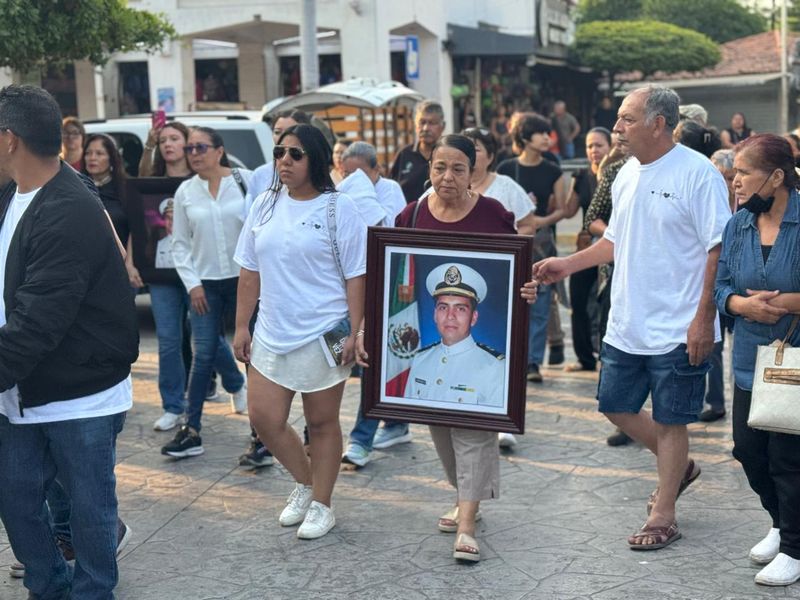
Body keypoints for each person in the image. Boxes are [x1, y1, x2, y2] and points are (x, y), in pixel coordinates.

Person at [533, 85, 731, 550]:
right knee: (614, 406)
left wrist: (704, 318)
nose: (617, 128)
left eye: (626, 119)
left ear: (658, 123)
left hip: (680, 324)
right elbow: (614, 243)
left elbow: (717, 248)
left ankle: (664, 512)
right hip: (628, 320)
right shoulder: (624, 175)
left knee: (671, 419)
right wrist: (567, 264)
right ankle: (678, 468)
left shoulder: (697, 175)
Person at [0, 84, 139, 599]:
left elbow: (38, 323)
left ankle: (91, 591)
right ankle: (49, 586)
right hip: (22, 388)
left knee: (90, 508)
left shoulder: (69, 209)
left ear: (9, 138)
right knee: (16, 499)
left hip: (78, 393)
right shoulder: (14, 194)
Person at [233, 124, 367, 539]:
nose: (284, 161)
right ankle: (307, 483)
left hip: (323, 332)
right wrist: (241, 325)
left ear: (316, 160)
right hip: (272, 329)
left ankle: (323, 504)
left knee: (322, 422)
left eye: (295, 154)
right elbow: (249, 270)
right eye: (279, 153)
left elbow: (357, 276)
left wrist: (356, 331)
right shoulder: (264, 204)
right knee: (264, 418)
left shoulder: (338, 208)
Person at [388, 134, 516, 562]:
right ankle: (466, 498)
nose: (447, 176)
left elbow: (513, 271)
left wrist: (527, 289)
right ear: (429, 169)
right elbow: (393, 278)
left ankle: (467, 523)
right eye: (440, 167)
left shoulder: (495, 213)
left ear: (472, 171)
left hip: (478, 363)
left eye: (458, 168)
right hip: (432, 355)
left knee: (473, 433)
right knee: (441, 430)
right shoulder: (411, 214)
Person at [714, 133, 800, 586]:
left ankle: (794, 548)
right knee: (749, 451)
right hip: (749, 357)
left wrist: (784, 301)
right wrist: (740, 306)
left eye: (744, 173)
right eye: (734, 173)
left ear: (778, 176)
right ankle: (781, 522)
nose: (736, 182)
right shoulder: (738, 224)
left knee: (788, 458)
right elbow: (721, 285)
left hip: (795, 359)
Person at [161, 126, 252, 458]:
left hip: (245, 281)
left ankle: (261, 434)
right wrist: (193, 284)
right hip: (205, 285)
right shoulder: (186, 191)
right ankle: (191, 429)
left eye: (200, 147)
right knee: (202, 356)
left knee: (251, 356)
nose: (194, 154)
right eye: (190, 149)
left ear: (219, 150)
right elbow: (179, 244)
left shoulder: (245, 181)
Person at [497, 113, 566, 383]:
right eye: (541, 133)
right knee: (510, 301)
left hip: (542, 244)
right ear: (525, 137)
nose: (547, 138)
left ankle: (532, 362)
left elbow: (561, 209)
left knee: (540, 303)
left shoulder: (553, 169)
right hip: (511, 240)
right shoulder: (505, 168)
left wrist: (542, 220)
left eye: (548, 133)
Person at [677, 122, 728, 423]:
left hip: (708, 285)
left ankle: (710, 401)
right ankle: (707, 401)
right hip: (705, 286)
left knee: (709, 345)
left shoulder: (702, 175)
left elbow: (717, 245)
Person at [406, 263, 504, 407]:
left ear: (474, 317)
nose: (450, 316)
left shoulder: (495, 367)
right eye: (443, 307)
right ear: (435, 314)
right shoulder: (420, 360)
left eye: (460, 309)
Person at [561, 127, 613, 372]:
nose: (594, 151)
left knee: (606, 302)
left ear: (610, 147)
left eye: (599, 145)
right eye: (590, 146)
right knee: (578, 300)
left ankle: (607, 356)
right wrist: (572, 184)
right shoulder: (582, 177)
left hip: (609, 247)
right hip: (585, 246)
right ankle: (584, 358)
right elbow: (569, 211)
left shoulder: (616, 174)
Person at [390, 100, 445, 203]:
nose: (426, 128)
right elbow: (392, 191)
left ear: (443, 126)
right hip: (409, 218)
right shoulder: (404, 154)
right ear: (416, 126)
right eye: (422, 122)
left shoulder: (448, 155)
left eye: (432, 123)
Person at [341, 141, 406, 225]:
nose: (353, 179)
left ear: (376, 169)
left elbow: (386, 229)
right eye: (347, 173)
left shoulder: (390, 188)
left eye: (359, 175)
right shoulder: (343, 191)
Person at [83, 133, 130, 247]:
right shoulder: (79, 188)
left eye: (99, 153)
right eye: (88, 153)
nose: (92, 158)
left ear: (112, 158)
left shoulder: (125, 189)